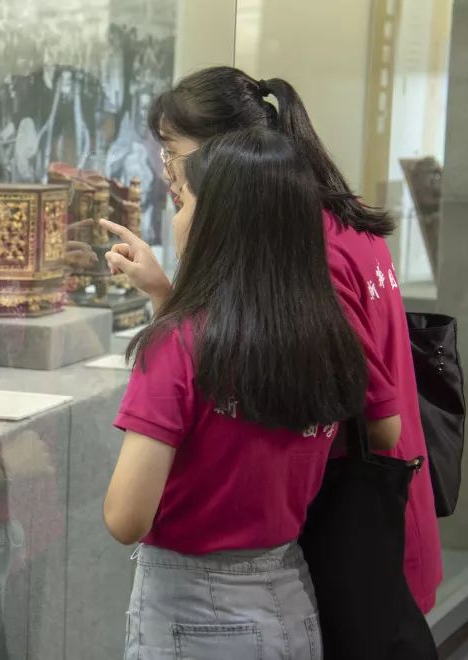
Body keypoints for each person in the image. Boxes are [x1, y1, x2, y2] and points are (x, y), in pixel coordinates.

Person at [101, 66, 442, 616]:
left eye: (174, 156)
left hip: (343, 533)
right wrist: (167, 297)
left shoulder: (309, 251)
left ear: (228, 161)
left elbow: (360, 414)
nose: (168, 175)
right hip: (344, 534)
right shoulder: (334, 216)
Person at [104, 127, 370, 658]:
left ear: (217, 223)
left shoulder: (177, 345)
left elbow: (126, 517)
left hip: (195, 614)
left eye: (183, 202)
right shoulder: (331, 335)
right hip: (291, 600)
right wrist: (163, 294)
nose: (177, 217)